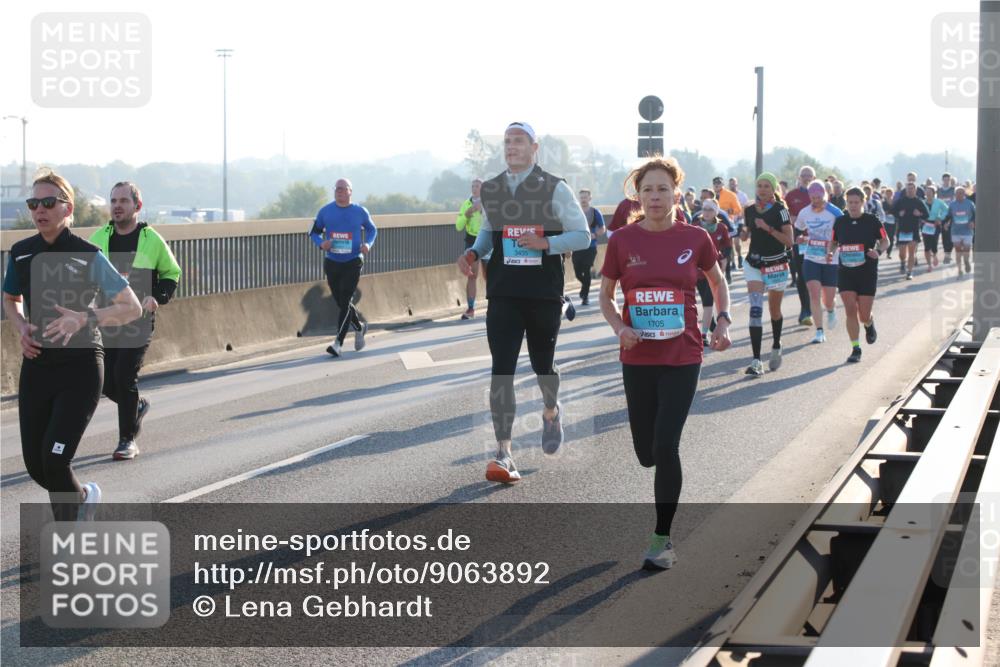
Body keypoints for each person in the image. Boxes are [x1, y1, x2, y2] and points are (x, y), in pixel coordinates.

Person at [599, 157, 731, 570]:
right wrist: (620, 327)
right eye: (647, 191)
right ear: (637, 196)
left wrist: (722, 320)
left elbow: (717, 281)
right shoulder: (622, 240)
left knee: (666, 444)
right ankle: (656, 472)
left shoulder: (695, 237)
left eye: (662, 189)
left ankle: (662, 539)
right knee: (645, 452)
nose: (655, 197)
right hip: (637, 355)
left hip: (683, 354)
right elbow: (606, 297)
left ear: (676, 191)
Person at [2, 170, 142, 521]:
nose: (40, 210)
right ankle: (82, 499)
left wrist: (85, 317)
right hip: (37, 366)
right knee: (38, 468)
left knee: (55, 460)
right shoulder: (21, 253)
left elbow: (131, 307)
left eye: (49, 202)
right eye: (34, 203)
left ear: (68, 209)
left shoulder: (89, 254)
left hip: (80, 367)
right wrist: (21, 327)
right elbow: (10, 298)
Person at [456, 121, 590, 483]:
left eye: (519, 141)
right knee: (502, 371)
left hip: (543, 294)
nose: (511, 147)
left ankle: (551, 410)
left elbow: (583, 236)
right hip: (503, 293)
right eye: (506, 142)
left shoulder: (554, 188)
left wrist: (548, 244)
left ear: (535, 147)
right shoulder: (494, 189)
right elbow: (488, 232)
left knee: (543, 367)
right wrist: (472, 252)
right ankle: (504, 453)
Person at [89, 182, 182, 460]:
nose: (117, 206)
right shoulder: (98, 238)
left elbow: (171, 273)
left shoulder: (151, 239)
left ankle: (126, 440)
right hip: (107, 319)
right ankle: (136, 405)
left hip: (138, 320)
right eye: (113, 200)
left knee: (124, 376)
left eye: (123, 201)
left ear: (137, 206)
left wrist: (157, 296)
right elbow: (85, 276)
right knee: (104, 380)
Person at [310, 178, 376, 357]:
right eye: (336, 189)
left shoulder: (360, 211)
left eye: (342, 189)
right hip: (332, 261)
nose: (339, 191)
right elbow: (314, 232)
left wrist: (368, 244)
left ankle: (338, 343)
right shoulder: (326, 211)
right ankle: (359, 327)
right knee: (341, 302)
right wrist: (321, 243)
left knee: (345, 300)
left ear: (350, 192)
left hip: (353, 261)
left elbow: (372, 230)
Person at [742, 172, 794, 376]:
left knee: (774, 311)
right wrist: (744, 234)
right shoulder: (749, 210)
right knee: (755, 310)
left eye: (766, 186)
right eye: (759, 185)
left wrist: (768, 228)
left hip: (776, 265)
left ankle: (776, 343)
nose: (762, 189)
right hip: (754, 263)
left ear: (774, 189)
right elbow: (747, 232)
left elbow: (790, 241)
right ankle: (756, 361)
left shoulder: (781, 211)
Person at [829, 187, 888, 363]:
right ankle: (856, 348)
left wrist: (878, 251)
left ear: (862, 203)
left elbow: (885, 240)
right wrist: (831, 252)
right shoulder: (839, 222)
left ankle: (869, 324)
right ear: (846, 203)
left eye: (856, 202)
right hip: (846, 271)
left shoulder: (873, 221)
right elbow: (833, 242)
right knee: (850, 310)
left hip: (867, 271)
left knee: (863, 314)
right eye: (850, 203)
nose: (853, 206)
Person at [795, 181, 843, 344]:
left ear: (825, 195)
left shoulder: (835, 212)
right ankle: (819, 331)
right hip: (811, 258)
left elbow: (844, 232)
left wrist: (834, 245)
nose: (815, 200)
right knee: (814, 294)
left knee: (828, 298)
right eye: (812, 197)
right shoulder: (804, 212)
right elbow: (799, 229)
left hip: (830, 258)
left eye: (819, 196)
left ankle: (830, 310)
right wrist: (801, 238)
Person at [693, 199, 731, 345]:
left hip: (712, 271)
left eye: (710, 209)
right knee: (695, 302)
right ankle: (700, 328)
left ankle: (703, 335)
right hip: (695, 271)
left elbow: (727, 247)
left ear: (716, 212)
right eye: (705, 209)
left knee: (708, 303)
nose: (707, 212)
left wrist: (724, 261)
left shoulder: (721, 227)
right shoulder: (695, 227)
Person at [784, 166, 816, 327]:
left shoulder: (820, 195)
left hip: (818, 241)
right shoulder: (791, 196)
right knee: (803, 275)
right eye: (804, 175)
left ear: (814, 177)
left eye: (809, 176)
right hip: (799, 241)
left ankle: (816, 304)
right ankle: (806, 310)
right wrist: (792, 218)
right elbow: (784, 216)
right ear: (799, 177)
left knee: (815, 276)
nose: (806, 178)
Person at [455, 179, 486, 319]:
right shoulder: (466, 204)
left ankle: (494, 305)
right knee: (472, 275)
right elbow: (458, 226)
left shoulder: (488, 203)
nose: (474, 188)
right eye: (472, 186)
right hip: (472, 240)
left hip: (487, 239)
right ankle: (471, 308)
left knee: (489, 275)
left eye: (477, 186)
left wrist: (481, 211)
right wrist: (466, 215)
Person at [572, 188, 606, 305]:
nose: (583, 200)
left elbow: (602, 228)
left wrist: (595, 234)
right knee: (577, 272)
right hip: (577, 246)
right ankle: (584, 286)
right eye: (581, 197)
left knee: (586, 270)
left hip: (590, 247)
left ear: (590, 198)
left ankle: (585, 296)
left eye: (585, 197)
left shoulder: (595, 212)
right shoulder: (575, 212)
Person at [891, 181, 930, 280]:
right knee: (902, 253)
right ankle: (903, 262)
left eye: (912, 189)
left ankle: (909, 272)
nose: (910, 190)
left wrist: (919, 214)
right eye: (908, 189)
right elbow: (892, 211)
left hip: (914, 229)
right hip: (902, 229)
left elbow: (927, 214)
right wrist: (898, 214)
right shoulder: (901, 201)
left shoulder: (919, 201)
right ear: (906, 190)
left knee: (912, 252)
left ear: (915, 190)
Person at [945, 186, 976, 277]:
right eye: (957, 193)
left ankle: (966, 261)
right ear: (955, 195)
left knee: (966, 250)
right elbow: (948, 216)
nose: (959, 195)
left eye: (961, 193)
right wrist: (946, 223)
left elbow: (975, 214)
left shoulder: (970, 203)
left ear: (964, 194)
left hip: (967, 230)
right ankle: (959, 269)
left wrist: (972, 222)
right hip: (956, 231)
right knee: (958, 251)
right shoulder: (952, 204)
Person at [713, 176, 744, 267]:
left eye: (719, 183)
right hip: (715, 224)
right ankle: (729, 263)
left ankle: (736, 260)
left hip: (728, 223)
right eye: (715, 183)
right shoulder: (711, 195)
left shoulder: (730, 195)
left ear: (723, 184)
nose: (717, 185)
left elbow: (738, 209)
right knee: (721, 245)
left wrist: (729, 211)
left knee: (731, 244)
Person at [922, 185, 949, 272]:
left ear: (934, 193)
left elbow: (946, 210)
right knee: (926, 245)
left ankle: (934, 254)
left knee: (934, 243)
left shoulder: (939, 202)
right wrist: (920, 217)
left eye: (930, 192)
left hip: (935, 224)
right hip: (925, 224)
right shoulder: (922, 202)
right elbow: (918, 211)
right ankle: (929, 265)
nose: (928, 193)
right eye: (927, 192)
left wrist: (940, 218)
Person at [938, 173, 956, 264]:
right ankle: (947, 255)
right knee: (945, 236)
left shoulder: (953, 190)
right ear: (943, 180)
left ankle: (949, 252)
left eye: (948, 180)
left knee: (952, 236)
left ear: (950, 180)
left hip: (952, 215)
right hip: (943, 216)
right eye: (945, 179)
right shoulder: (939, 191)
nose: (946, 181)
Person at [881, 186, 898, 259]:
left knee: (891, 237)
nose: (889, 194)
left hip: (893, 222)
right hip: (885, 222)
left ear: (892, 194)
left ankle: (889, 253)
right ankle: (883, 249)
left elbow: (897, 211)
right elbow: (881, 212)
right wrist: (885, 213)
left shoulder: (895, 202)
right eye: (887, 193)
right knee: (884, 236)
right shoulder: (883, 203)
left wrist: (893, 213)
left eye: (890, 193)